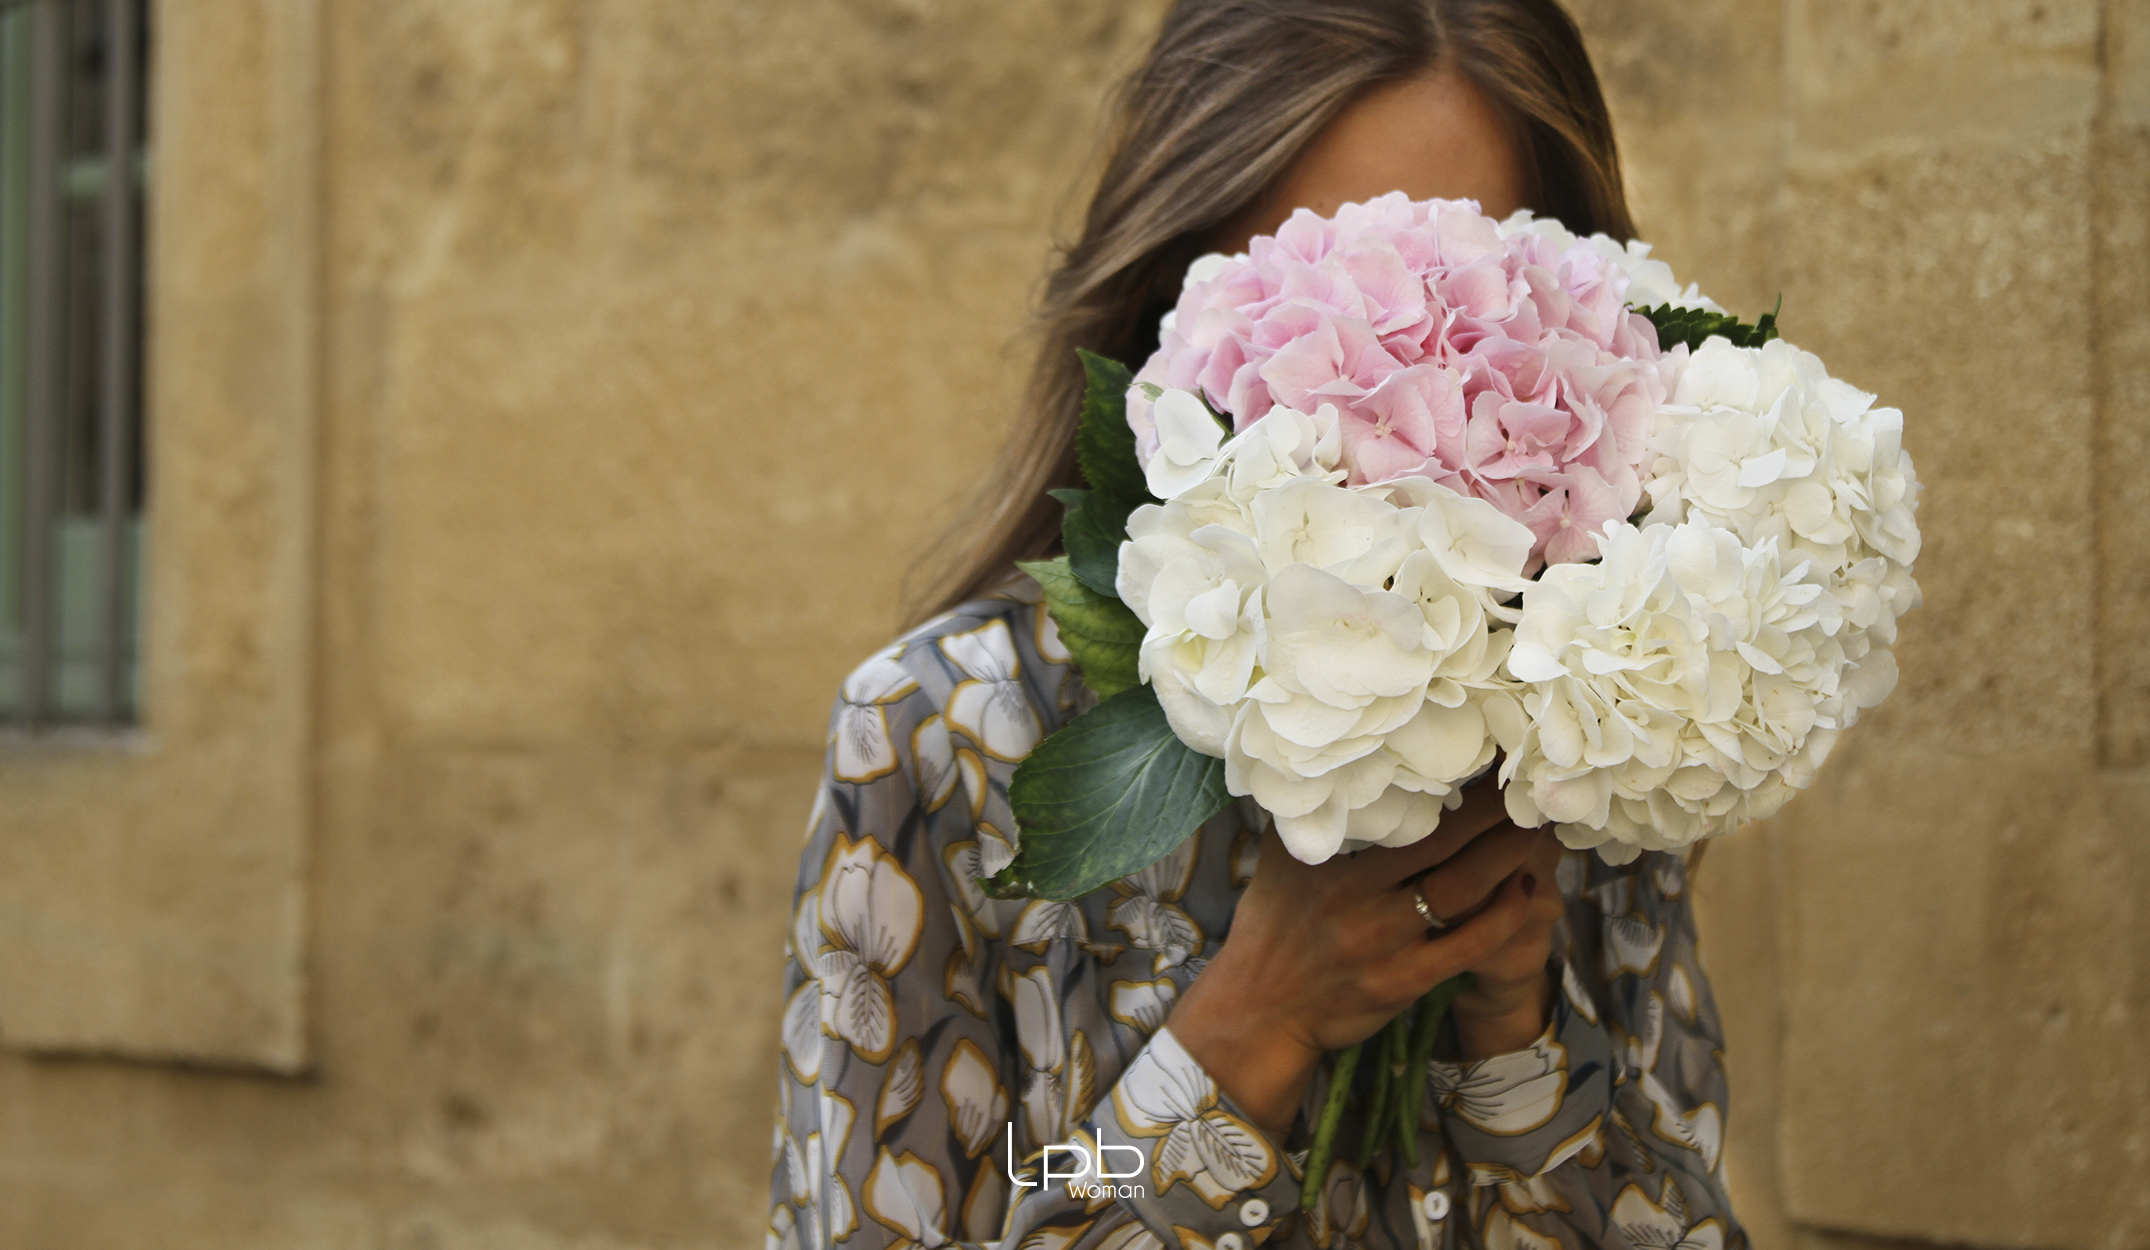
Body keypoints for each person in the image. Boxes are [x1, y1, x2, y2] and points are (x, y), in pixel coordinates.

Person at [769, 2, 1737, 1247]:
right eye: (1329, 297)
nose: (1408, 394)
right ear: (1177, 292)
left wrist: (1516, 1051)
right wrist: (1242, 1035)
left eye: (1474, 305)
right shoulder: (946, 737)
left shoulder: (1600, 736)